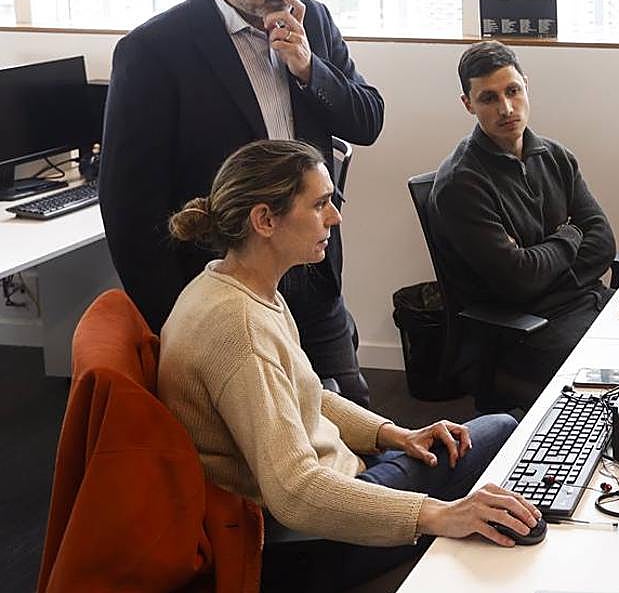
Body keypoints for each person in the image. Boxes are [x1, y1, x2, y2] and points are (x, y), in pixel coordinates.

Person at [157, 139, 539, 592]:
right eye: (320, 205)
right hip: (307, 541)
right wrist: (440, 515)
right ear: (264, 220)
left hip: (327, 496)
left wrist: (395, 434)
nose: (335, 218)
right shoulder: (240, 330)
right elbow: (296, 492)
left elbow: (305, 394)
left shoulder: (236, 286)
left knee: (488, 441)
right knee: (500, 431)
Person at [99, 0, 384, 406]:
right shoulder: (153, 52)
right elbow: (128, 210)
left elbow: (368, 119)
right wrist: (181, 321)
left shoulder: (312, 21)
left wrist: (308, 68)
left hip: (313, 275)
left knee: (358, 425)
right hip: (224, 296)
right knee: (268, 461)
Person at [429, 41, 616, 405]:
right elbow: (519, 281)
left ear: (526, 86)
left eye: (513, 91)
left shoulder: (557, 157)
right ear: (468, 104)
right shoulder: (460, 184)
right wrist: (570, 235)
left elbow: (604, 242)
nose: (506, 108)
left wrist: (542, 263)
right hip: (519, 333)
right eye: (488, 98)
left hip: (583, 305)